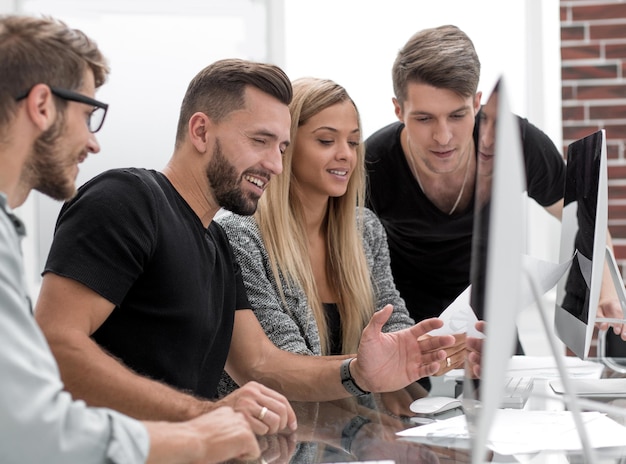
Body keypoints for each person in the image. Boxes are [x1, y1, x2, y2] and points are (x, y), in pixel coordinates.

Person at [33, 55, 456, 424]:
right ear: (200, 131)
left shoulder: (216, 243)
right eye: (260, 141)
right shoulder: (128, 200)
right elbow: (54, 343)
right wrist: (203, 415)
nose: (274, 164)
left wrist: (358, 373)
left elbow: (260, 363)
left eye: (283, 147)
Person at [0, 14, 264, 463]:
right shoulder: (126, 197)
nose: (93, 142)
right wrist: (200, 434)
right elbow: (32, 425)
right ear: (43, 105)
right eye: (88, 114)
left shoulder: (218, 241)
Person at [364, 25, 626, 369]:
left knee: (513, 417)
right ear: (398, 110)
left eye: (457, 115)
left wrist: (604, 285)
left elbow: (582, 217)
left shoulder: (515, 143)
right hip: (407, 329)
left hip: (491, 321)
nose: (443, 137)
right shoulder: (373, 164)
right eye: (424, 118)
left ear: (477, 103)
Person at [215, 77, 463, 408]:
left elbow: (393, 324)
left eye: (354, 142)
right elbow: (282, 367)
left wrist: (436, 350)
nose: (345, 155)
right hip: (273, 442)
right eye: (326, 140)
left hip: (353, 437)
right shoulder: (240, 235)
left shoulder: (365, 230)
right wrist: (371, 370)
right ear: (285, 146)